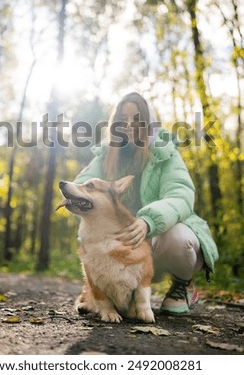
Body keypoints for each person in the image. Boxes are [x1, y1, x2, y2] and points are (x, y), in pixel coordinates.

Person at [74, 92, 219, 315]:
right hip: (124, 246)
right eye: (123, 119)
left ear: (148, 123)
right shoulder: (106, 154)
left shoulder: (164, 151)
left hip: (158, 241)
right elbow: (82, 186)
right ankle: (109, 294)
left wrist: (148, 221)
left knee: (178, 239)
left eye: (137, 119)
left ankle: (184, 284)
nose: (130, 125)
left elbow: (181, 195)